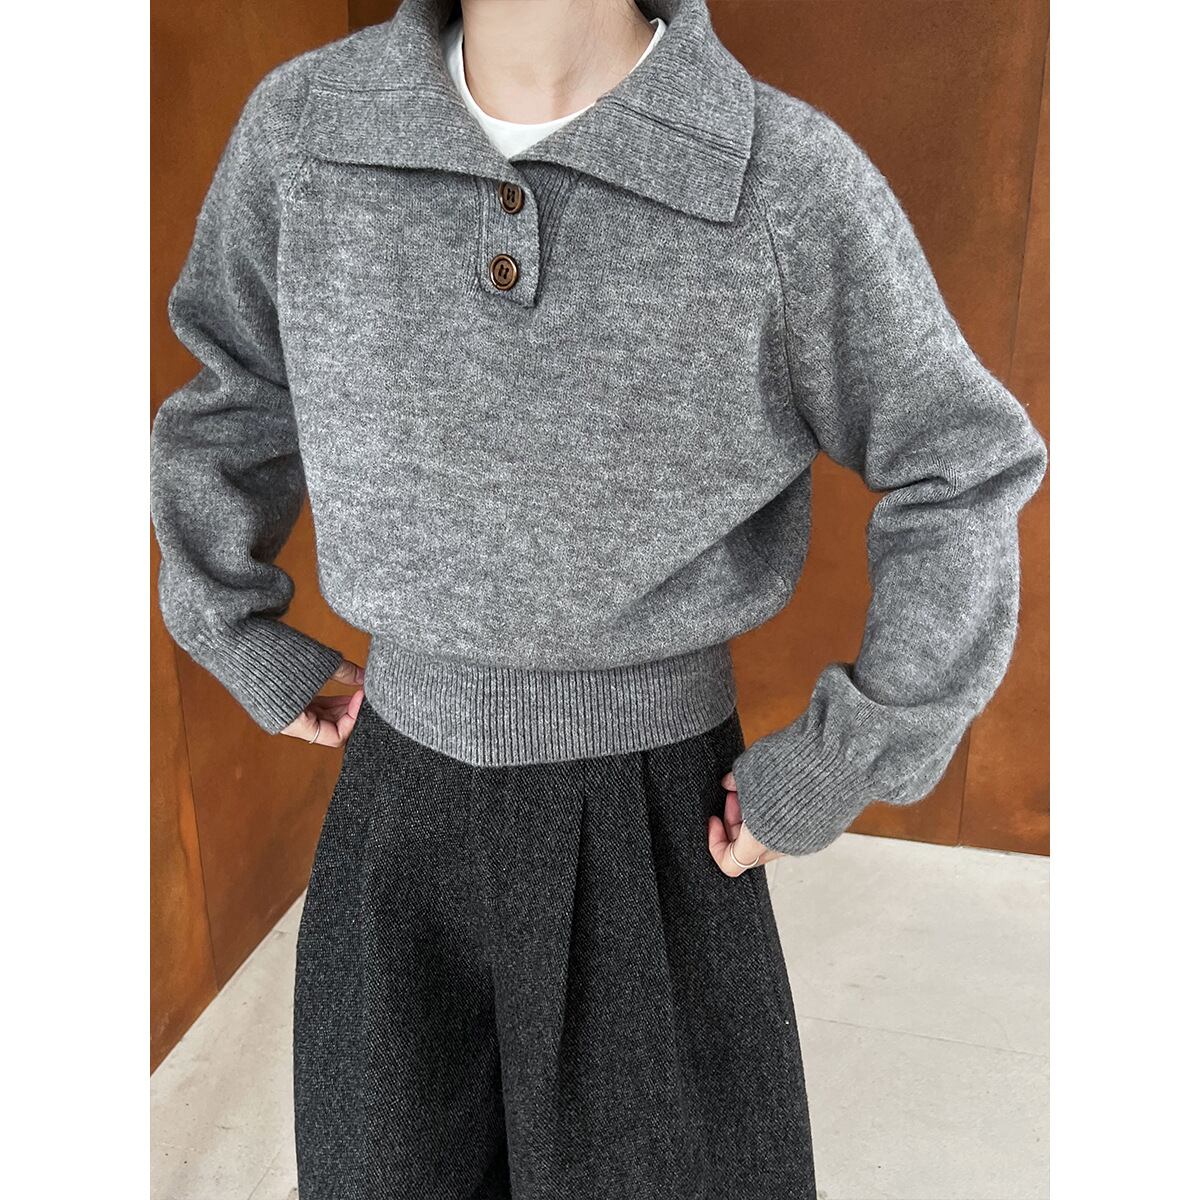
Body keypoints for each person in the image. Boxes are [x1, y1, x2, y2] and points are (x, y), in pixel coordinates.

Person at [149, 0, 1048, 1196]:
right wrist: (231, 624)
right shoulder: (309, 132)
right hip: (394, 811)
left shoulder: (776, 178)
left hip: (656, 820)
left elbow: (961, 463)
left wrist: (853, 750)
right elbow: (232, 395)